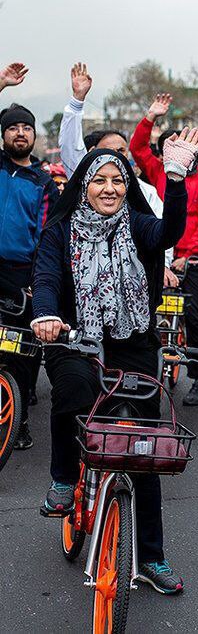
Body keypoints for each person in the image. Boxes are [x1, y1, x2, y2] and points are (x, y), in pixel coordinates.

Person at [31, 129, 198, 594]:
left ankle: (151, 558)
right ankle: (65, 480)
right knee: (72, 391)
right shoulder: (60, 232)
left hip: (134, 340)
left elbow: (171, 231)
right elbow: (46, 277)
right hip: (73, 335)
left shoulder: (139, 227)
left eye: (119, 181)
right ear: (83, 187)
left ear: (128, 187)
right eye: (99, 180)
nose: (110, 188)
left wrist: (177, 177)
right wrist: (46, 314)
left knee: (144, 448)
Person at [130, 93, 198, 406]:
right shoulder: (158, 172)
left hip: (194, 261)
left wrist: (185, 257)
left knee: (195, 318)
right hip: (157, 257)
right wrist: (150, 116)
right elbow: (137, 149)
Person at [57, 62, 179, 289]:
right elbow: (69, 147)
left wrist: (164, 264)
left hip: (129, 282)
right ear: (92, 156)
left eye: (121, 151)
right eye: (108, 151)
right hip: (83, 278)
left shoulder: (146, 192)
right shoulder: (84, 181)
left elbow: (162, 231)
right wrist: (77, 103)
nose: (116, 158)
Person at [0, 61, 59, 451]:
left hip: (23, 275)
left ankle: (16, 421)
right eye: (13, 127)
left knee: (22, 353)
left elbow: (49, 236)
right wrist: (2, 84)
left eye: (27, 127)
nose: (21, 133)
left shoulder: (43, 182)